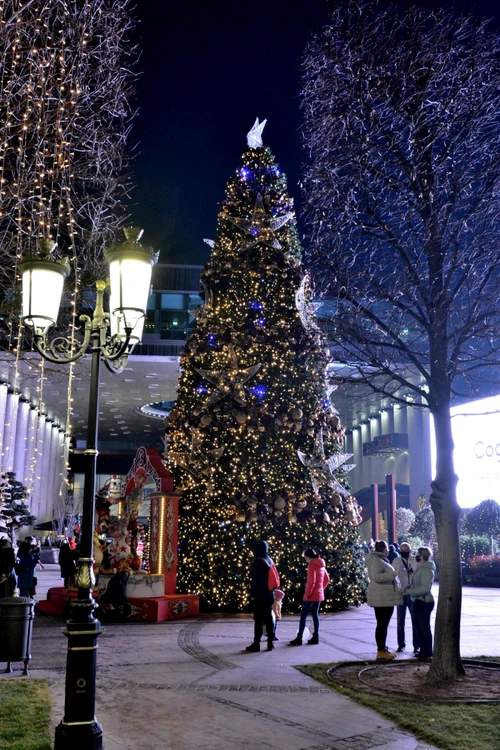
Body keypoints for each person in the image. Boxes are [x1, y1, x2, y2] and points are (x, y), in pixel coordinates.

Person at [366, 540, 403, 660]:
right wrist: (393, 574)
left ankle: (382, 648)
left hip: (384, 596)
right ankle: (380, 650)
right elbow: (375, 576)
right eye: (386, 549)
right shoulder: (377, 560)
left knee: (383, 624)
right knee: (382, 624)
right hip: (382, 597)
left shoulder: (380, 559)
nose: (388, 551)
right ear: (383, 549)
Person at [289, 548, 330, 646]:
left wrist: (307, 594)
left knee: (303, 616)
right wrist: (321, 589)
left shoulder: (312, 565)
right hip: (319, 594)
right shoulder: (321, 564)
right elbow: (327, 579)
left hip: (311, 595)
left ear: (308, 556)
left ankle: (299, 637)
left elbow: (312, 581)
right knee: (315, 615)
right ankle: (316, 636)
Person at [246, 539, 278, 653]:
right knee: (269, 619)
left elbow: (256, 580)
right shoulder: (270, 560)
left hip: (260, 595)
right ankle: (270, 642)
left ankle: (256, 643)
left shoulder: (258, 562)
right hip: (269, 594)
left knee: (258, 620)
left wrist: (252, 594)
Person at [406, 546, 435, 661]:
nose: (416, 556)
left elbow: (424, 588)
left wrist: (410, 591)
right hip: (418, 600)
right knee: (420, 627)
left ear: (422, 556)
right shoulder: (421, 567)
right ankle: (423, 650)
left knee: (424, 627)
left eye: (418, 554)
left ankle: (427, 651)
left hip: (424, 601)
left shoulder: (427, 570)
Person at [393, 542, 420, 654]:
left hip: (412, 593)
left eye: (406, 550)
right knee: (400, 621)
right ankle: (401, 644)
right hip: (401, 594)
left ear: (410, 550)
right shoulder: (396, 561)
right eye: (402, 550)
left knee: (415, 620)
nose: (404, 552)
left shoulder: (414, 560)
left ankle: (416, 645)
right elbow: (393, 575)